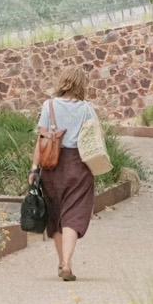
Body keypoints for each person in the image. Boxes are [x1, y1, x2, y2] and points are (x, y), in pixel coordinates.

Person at [32, 67, 99, 281]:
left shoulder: (49, 106)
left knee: (56, 215)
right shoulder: (87, 109)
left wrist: (34, 168)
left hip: (52, 165)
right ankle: (68, 263)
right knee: (73, 213)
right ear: (81, 84)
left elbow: (41, 139)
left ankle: (61, 263)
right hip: (79, 165)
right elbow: (95, 137)